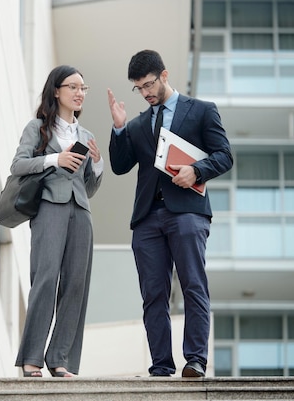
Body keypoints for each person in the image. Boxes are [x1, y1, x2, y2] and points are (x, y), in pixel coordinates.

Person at [107, 49, 233, 377]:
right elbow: (120, 167)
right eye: (139, 88)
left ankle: (195, 361)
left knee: (193, 285)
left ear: (164, 75)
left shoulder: (202, 111)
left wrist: (197, 170)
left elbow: (225, 155)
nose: (146, 93)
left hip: (188, 213)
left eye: (149, 84)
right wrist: (119, 129)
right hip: (148, 217)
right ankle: (161, 366)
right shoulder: (137, 124)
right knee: (153, 294)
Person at [13, 65, 103, 378]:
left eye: (84, 88)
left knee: (76, 283)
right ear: (56, 91)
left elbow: (89, 187)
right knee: (46, 278)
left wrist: (97, 162)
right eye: (73, 87)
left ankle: (60, 358)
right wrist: (56, 159)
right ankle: (32, 359)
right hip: (49, 207)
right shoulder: (38, 128)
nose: (80, 93)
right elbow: (19, 165)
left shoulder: (87, 135)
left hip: (81, 211)